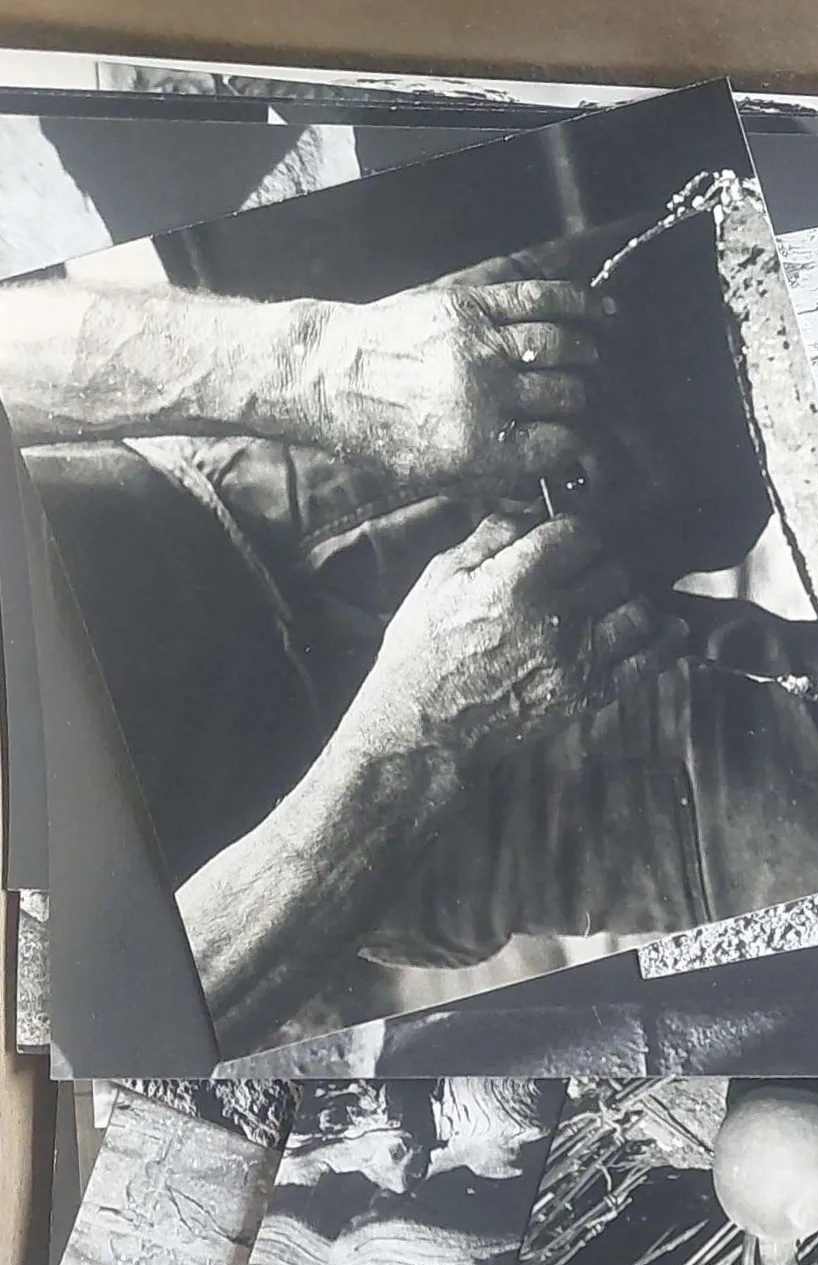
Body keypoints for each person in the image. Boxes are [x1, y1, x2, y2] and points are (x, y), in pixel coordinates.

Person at [2, 275, 679, 1041]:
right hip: (372, 840)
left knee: (731, 311)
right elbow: (99, 1031)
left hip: (286, 451)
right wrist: (422, 741)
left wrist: (318, 364)